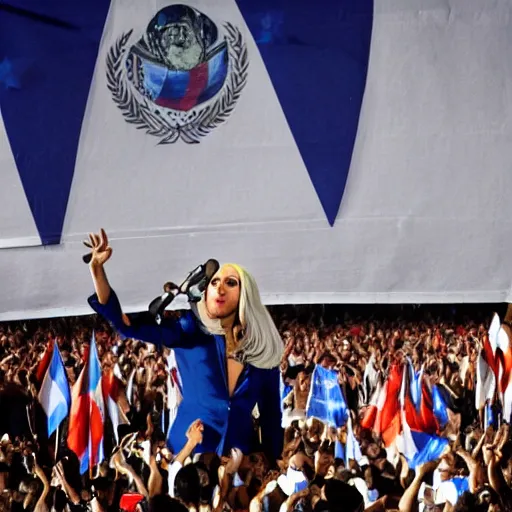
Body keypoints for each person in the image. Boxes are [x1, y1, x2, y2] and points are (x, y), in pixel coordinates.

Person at [86, 229, 284, 462]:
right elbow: (127, 326)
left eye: (231, 283)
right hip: (189, 452)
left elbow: (271, 413)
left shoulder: (261, 351)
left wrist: (272, 458)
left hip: (240, 456)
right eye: (214, 282)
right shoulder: (192, 330)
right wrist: (97, 271)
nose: (220, 289)